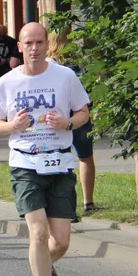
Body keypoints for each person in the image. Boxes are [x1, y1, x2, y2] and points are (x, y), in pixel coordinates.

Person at [0, 22, 90, 276]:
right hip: (25, 164)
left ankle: (42, 264)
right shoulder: (6, 82)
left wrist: (67, 123)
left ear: (47, 45)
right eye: (28, 43)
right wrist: (12, 126)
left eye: (39, 42)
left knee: (61, 241)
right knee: (39, 232)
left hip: (59, 163)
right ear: (19, 46)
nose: (34, 48)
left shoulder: (65, 76)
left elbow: (83, 112)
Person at [47, 29, 101, 214]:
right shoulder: (79, 64)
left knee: (59, 156)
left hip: (56, 118)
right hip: (79, 115)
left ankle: (60, 200)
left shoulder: (48, 66)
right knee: (85, 157)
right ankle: (88, 201)